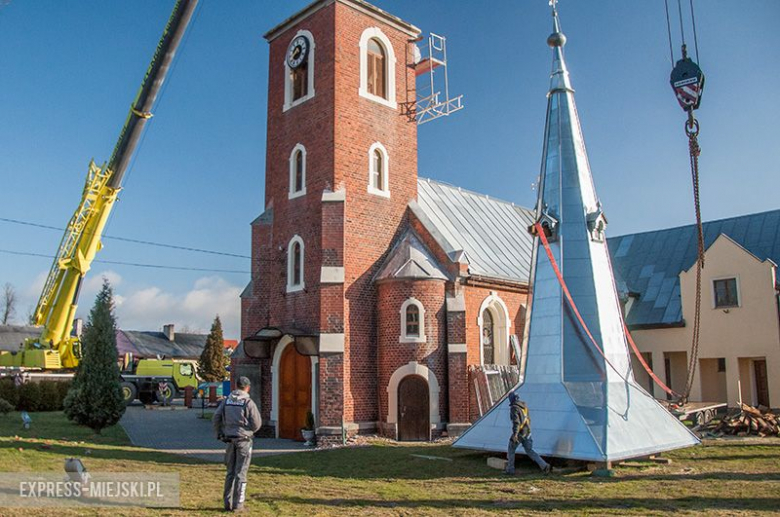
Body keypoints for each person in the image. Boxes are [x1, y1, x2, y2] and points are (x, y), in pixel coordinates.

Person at [213, 376, 262, 512]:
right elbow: (257, 424)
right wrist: (249, 431)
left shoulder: (227, 400)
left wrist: (219, 433)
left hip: (229, 440)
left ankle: (227, 503)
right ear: (248, 387)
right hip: (243, 441)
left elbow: (216, 416)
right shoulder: (247, 402)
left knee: (230, 473)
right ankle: (238, 505)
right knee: (241, 473)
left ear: (236, 385)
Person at [504, 391, 551, 475]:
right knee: (529, 450)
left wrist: (515, 435)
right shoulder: (524, 407)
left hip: (519, 433)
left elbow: (516, 422)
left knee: (511, 449)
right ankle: (544, 465)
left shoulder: (514, 408)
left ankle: (510, 469)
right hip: (527, 431)